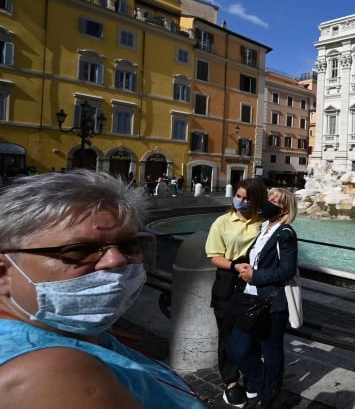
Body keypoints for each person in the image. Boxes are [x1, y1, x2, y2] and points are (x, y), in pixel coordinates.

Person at [0, 170, 207, 408]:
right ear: (4, 273)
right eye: (79, 250)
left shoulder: (72, 333)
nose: (116, 260)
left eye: (129, 244)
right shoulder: (48, 376)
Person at [228, 187, 298, 408]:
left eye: (273, 201)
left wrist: (255, 275)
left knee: (272, 352)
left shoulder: (285, 233)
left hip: (271, 303)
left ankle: (269, 398)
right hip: (251, 300)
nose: (267, 202)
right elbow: (258, 259)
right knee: (236, 349)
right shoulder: (264, 228)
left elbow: (287, 270)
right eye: (268, 198)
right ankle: (271, 391)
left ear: (284, 209)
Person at [204, 178, 269, 408]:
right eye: (238, 196)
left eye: (246, 199)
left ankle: (252, 376)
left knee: (253, 333)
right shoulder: (222, 222)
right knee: (226, 334)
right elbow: (213, 255)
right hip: (228, 280)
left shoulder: (263, 222)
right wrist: (234, 266)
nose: (240, 201)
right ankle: (231, 383)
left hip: (253, 283)